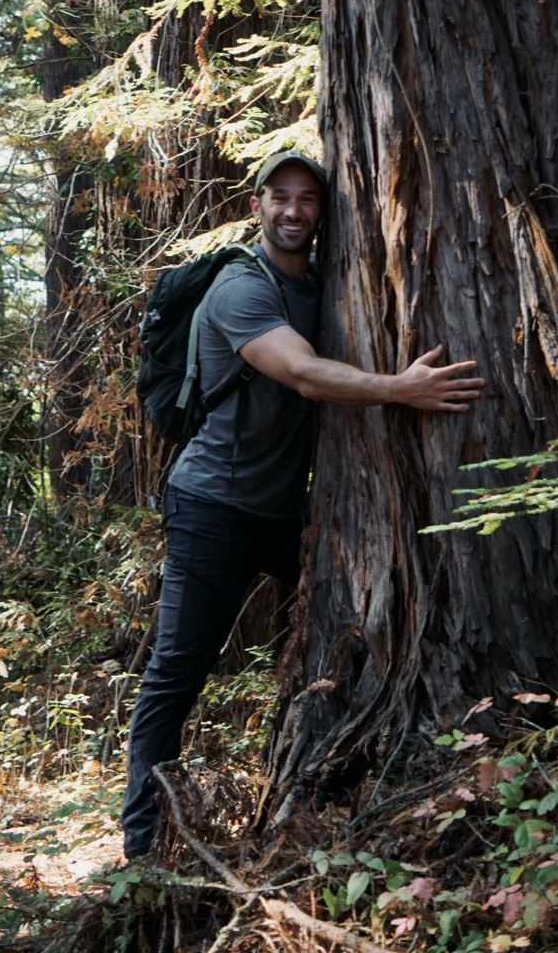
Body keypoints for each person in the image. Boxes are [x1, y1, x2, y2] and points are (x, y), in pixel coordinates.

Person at [120, 149, 485, 861]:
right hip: (212, 508)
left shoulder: (324, 285)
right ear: (257, 204)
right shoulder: (237, 290)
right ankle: (141, 848)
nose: (293, 211)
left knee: (343, 641)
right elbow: (304, 374)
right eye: (279, 197)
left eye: (307, 200)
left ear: (323, 213)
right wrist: (401, 388)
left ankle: (318, 797)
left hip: (288, 516)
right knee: (176, 672)